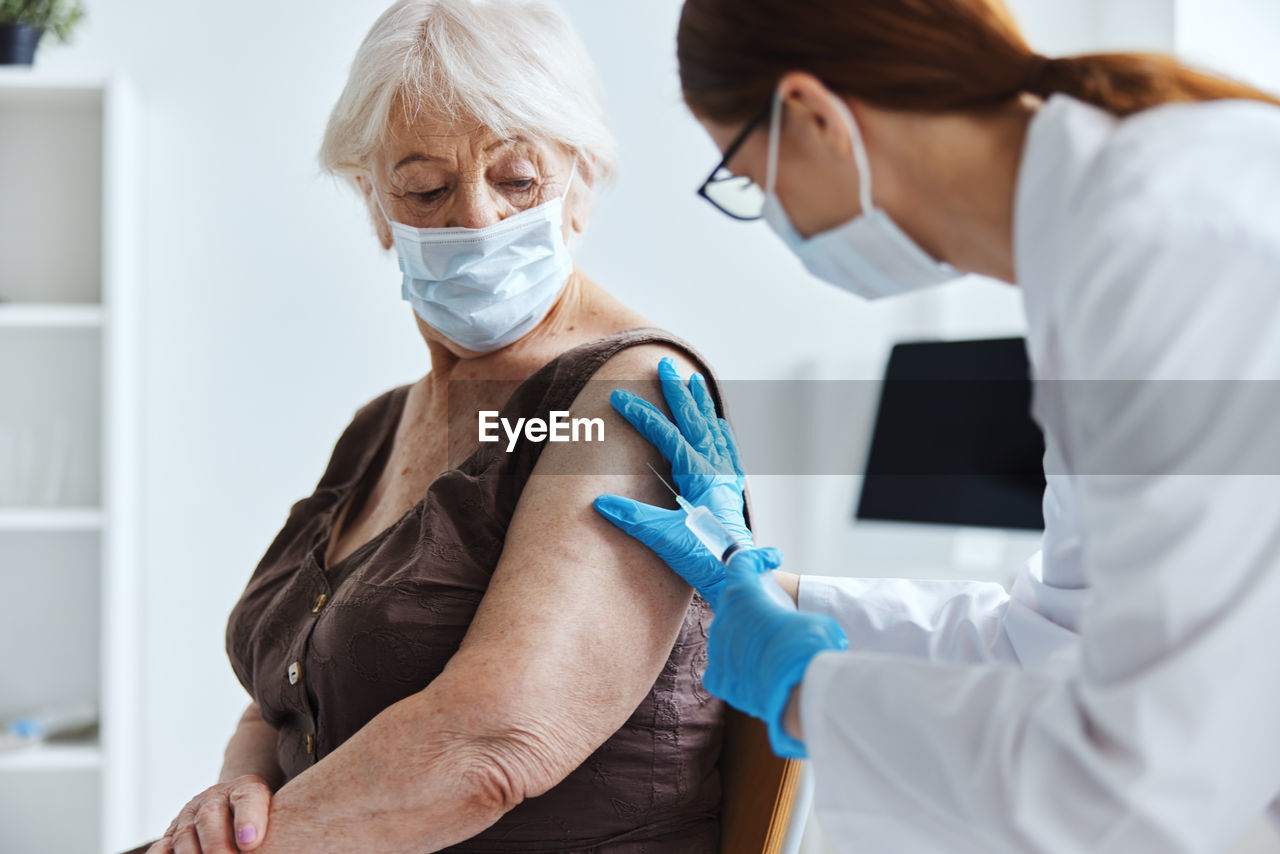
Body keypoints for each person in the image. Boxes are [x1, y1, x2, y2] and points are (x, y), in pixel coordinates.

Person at [595, 0, 1280, 851]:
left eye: (748, 177)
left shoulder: (1170, 250)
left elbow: (1137, 780)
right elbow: (1053, 643)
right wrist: (758, 582)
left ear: (811, 116)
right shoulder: (1103, 255)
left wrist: (809, 687)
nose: (773, 216)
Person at [132, 2, 740, 852]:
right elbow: (289, 691)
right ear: (373, 205)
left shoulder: (629, 395)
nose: (479, 220)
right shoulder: (379, 427)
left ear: (584, 183)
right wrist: (240, 790)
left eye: (518, 179)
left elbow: (490, 749)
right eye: (424, 188)